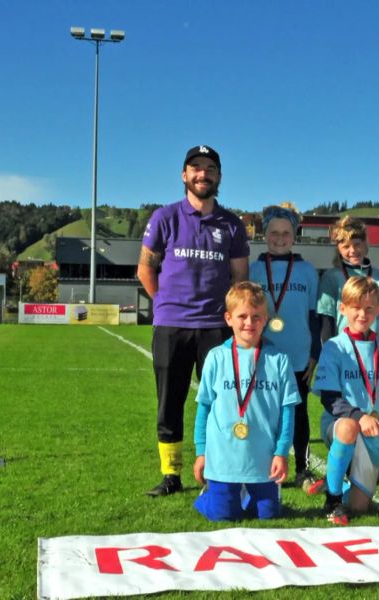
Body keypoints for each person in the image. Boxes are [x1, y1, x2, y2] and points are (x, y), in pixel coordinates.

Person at [138, 145, 250, 497]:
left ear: (219, 176)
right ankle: (171, 474)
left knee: (221, 402)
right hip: (172, 325)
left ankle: (218, 470)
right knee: (169, 400)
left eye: (210, 168)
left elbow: (240, 279)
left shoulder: (231, 225)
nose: (203, 174)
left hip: (216, 327)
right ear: (184, 175)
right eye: (196, 168)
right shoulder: (164, 217)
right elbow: (146, 268)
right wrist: (164, 305)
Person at [192, 282, 300, 521]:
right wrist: (202, 452)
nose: (249, 323)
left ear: (266, 319)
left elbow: (287, 412)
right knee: (223, 516)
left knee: (267, 515)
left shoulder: (279, 359)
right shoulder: (216, 357)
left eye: (256, 317)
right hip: (222, 456)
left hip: (262, 457)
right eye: (242, 316)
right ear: (229, 318)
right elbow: (204, 408)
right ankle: (209, 495)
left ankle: (244, 493)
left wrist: (281, 452)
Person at [313, 276, 379, 525]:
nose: (362, 314)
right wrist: (359, 416)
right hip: (342, 425)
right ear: (343, 309)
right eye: (355, 308)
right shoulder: (333, 347)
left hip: (375, 433)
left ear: (378, 310)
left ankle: (333, 480)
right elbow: (329, 399)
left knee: (360, 507)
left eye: (369, 308)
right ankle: (333, 499)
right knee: (348, 427)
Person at [249, 203, 321, 490]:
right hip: (263, 355)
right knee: (264, 413)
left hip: (298, 355)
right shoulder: (254, 269)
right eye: (274, 233)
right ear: (265, 234)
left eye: (286, 233)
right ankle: (263, 466)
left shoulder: (306, 270)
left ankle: (303, 469)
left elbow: (313, 316)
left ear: (295, 235)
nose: (280, 238)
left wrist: (315, 354)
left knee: (299, 413)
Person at [316, 216, 379, 344]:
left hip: (376, 348)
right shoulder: (331, 277)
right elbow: (327, 319)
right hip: (344, 350)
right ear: (338, 248)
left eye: (357, 244)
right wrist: (329, 350)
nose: (352, 250)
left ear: (366, 243)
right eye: (346, 246)